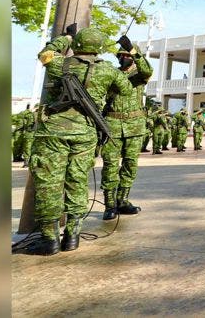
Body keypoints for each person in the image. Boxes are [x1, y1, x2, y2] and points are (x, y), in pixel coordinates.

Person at [16, 27, 132, 256]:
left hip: (53, 133)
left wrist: (65, 38)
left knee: (49, 183)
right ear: (99, 48)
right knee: (77, 181)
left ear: (77, 44)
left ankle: (49, 240)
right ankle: (72, 236)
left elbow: (45, 53)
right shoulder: (108, 70)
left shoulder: (60, 63)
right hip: (86, 133)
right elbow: (126, 90)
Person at [100, 35, 153, 220]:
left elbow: (148, 70)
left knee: (130, 165)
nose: (124, 58)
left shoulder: (139, 75)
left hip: (134, 127)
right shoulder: (110, 74)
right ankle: (109, 205)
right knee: (110, 165)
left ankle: (122, 201)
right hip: (112, 125)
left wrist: (133, 50)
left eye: (127, 55)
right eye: (121, 55)